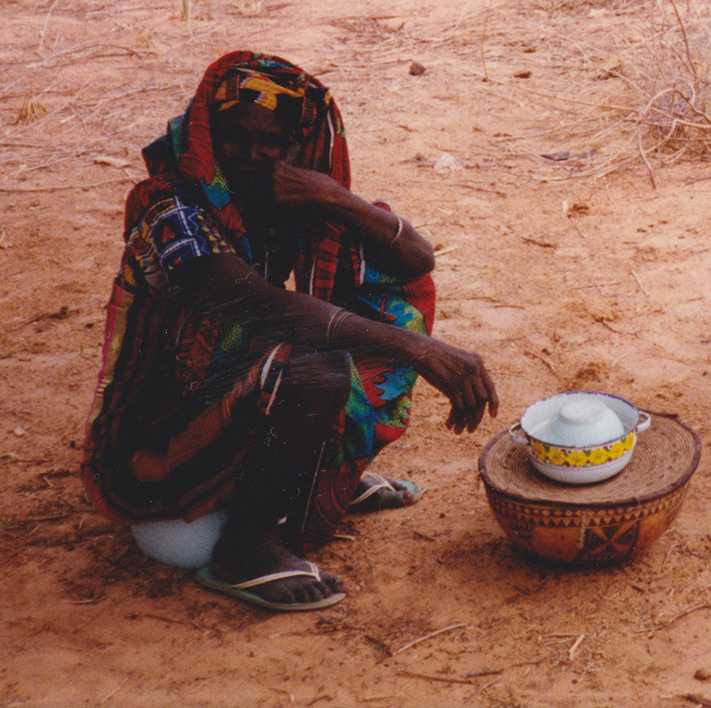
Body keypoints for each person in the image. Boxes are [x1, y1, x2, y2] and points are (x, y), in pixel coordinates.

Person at [82, 52, 499, 612]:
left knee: (387, 302)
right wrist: (418, 349)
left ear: (294, 142)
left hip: (228, 392)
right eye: (234, 136)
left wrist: (332, 195)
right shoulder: (167, 205)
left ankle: (317, 475)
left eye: (271, 140)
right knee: (314, 363)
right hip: (156, 440)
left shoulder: (285, 199)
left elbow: (414, 260)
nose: (251, 155)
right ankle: (247, 548)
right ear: (208, 131)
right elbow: (259, 306)